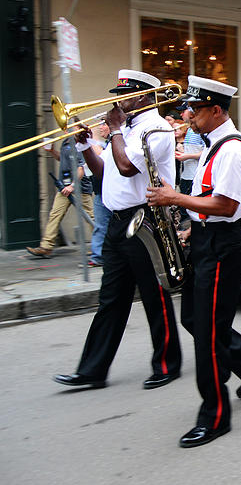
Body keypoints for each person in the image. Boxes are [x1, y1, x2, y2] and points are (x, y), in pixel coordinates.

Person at [146, 75, 241, 448]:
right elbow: (209, 201)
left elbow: (227, 206)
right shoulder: (214, 145)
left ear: (216, 110)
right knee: (193, 320)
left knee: (209, 334)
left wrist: (175, 200)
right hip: (206, 239)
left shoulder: (231, 150)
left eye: (196, 109)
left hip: (221, 246)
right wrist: (190, 228)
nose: (189, 115)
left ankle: (215, 416)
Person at [53, 70, 181, 391]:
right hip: (116, 220)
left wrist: (115, 131)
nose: (119, 102)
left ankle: (167, 362)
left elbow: (128, 168)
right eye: (119, 96)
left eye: (127, 96)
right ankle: (92, 370)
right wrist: (85, 147)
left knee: (154, 295)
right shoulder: (125, 130)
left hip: (145, 219)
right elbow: (104, 174)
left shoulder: (156, 128)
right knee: (110, 298)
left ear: (146, 97)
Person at [26, 137, 94, 259]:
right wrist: (52, 151)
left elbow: (81, 167)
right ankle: (46, 246)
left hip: (80, 188)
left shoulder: (80, 142)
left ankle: (101, 246)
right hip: (64, 187)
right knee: (55, 214)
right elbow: (61, 158)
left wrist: (73, 185)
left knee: (89, 216)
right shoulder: (65, 142)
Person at [88, 123, 111, 267]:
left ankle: (99, 256)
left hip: (107, 190)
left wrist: (92, 137)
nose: (101, 127)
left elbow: (100, 157)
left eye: (104, 124)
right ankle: (98, 255)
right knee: (101, 224)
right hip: (100, 190)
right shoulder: (106, 142)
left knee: (102, 224)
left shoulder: (110, 142)